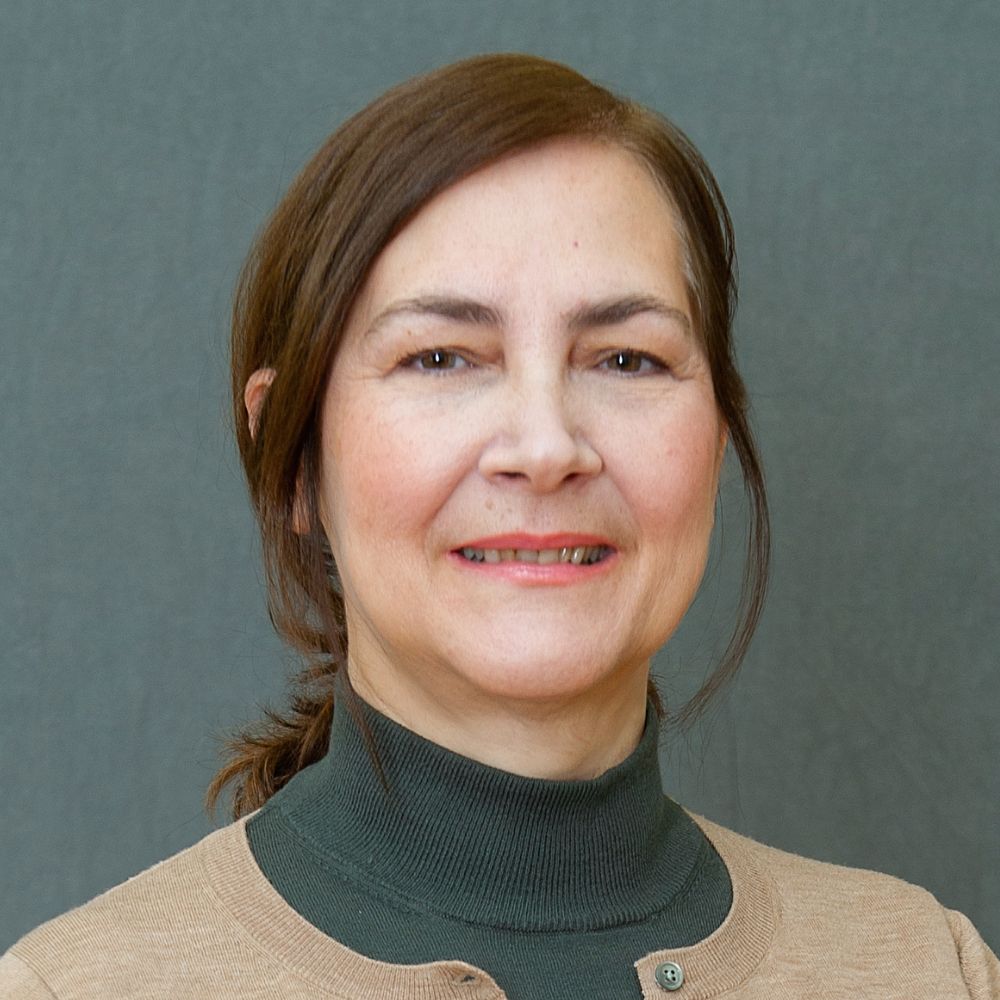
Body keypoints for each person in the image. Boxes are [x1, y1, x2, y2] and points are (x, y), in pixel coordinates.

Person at [1, 53, 996, 1000]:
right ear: (293, 456)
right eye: (441, 358)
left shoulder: (927, 969)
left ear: (718, 435)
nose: (545, 443)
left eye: (625, 359)